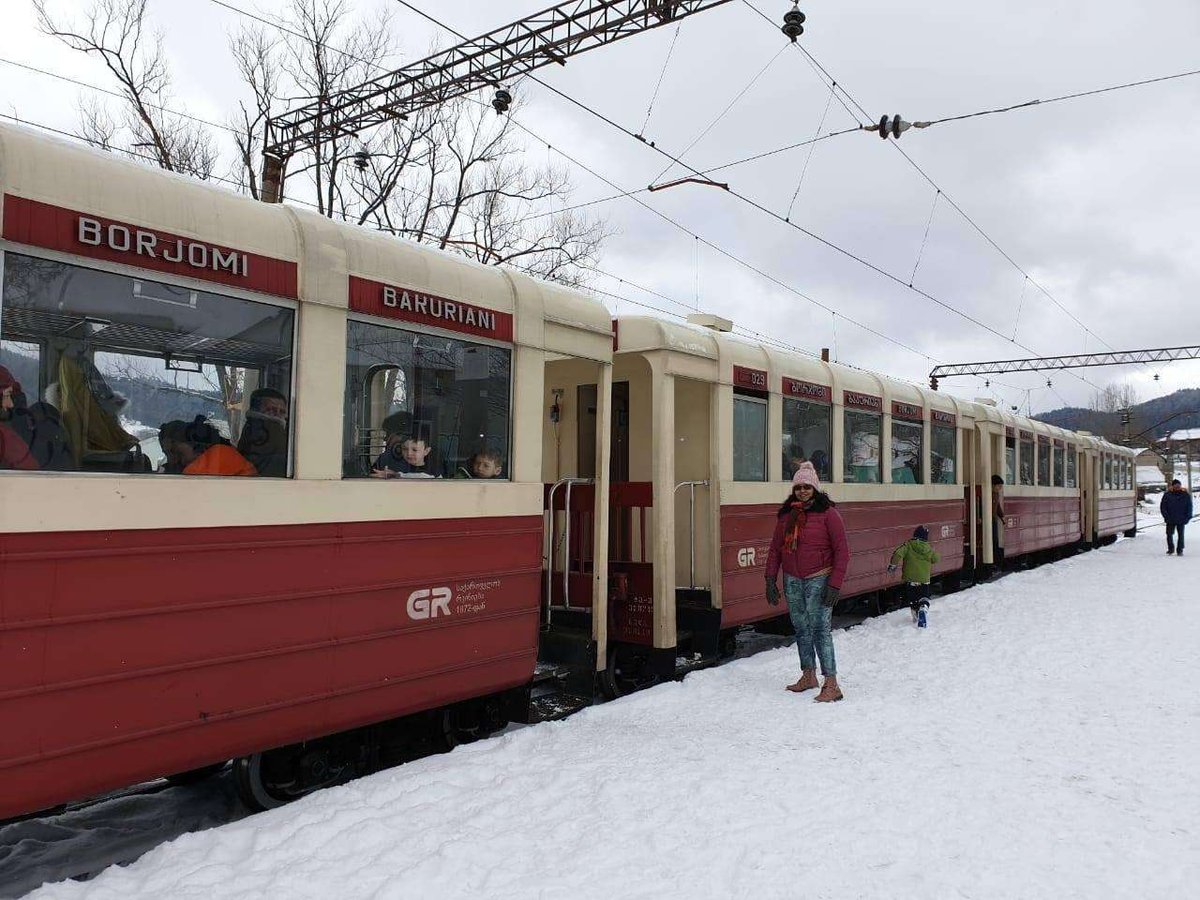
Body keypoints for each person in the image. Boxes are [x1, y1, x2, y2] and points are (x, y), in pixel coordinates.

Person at [765, 461, 850, 702]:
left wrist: (834, 584)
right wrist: (770, 578)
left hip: (819, 578)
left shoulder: (829, 514)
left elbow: (842, 551)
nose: (802, 491)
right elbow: (775, 549)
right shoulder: (787, 516)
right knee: (801, 628)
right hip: (793, 579)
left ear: (815, 489)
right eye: (798, 487)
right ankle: (808, 675)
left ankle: (831, 683)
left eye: (807, 487)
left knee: (820, 629)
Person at [160, 416, 257, 477]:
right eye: (167, 454)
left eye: (177, 452)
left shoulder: (219, 455)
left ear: (194, 443)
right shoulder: (220, 452)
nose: (172, 460)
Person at [889, 526, 940, 626]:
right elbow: (936, 559)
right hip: (924, 580)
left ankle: (916, 616)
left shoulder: (908, 545)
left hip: (910, 579)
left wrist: (893, 565)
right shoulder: (928, 548)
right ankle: (923, 609)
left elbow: (897, 553)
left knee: (913, 600)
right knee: (924, 597)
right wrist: (934, 552)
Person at [237, 387, 289, 478]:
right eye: (271, 410)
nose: (277, 415)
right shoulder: (266, 429)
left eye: (282, 412)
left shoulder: (250, 428)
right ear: (256, 410)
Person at [1, 365, 38, 470]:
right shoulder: (5, 436)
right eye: (6, 396)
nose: (10, 404)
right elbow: (30, 469)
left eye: (11, 397)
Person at [1161, 479, 1193, 556]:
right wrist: (1166, 516)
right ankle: (1171, 549)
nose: (1177, 486)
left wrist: (1188, 517)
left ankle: (1180, 550)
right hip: (1170, 518)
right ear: (1172, 486)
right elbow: (1163, 507)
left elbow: (1189, 506)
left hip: (1181, 518)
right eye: (1175, 485)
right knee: (1169, 534)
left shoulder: (1185, 495)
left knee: (1181, 535)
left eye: (1178, 485)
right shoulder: (1167, 495)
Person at [991, 474, 1005, 570]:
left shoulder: (996, 494)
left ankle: (996, 562)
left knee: (995, 540)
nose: (1000, 488)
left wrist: (1002, 516)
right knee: (993, 541)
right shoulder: (989, 494)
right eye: (998, 486)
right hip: (989, 521)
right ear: (993, 485)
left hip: (994, 520)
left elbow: (998, 506)